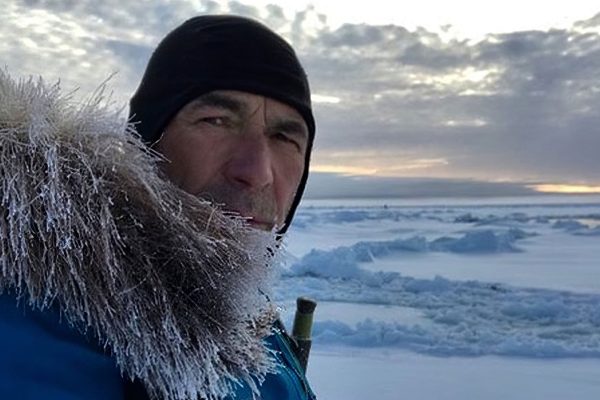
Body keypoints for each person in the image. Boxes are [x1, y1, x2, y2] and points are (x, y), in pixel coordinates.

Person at [0, 15, 316, 400]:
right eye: (216, 120)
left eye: (285, 136)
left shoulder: (248, 313)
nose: (258, 172)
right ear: (145, 147)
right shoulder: (38, 324)